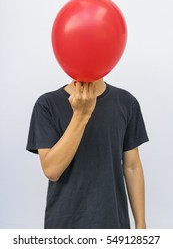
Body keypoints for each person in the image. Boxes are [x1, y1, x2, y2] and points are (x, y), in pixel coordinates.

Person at [26, 78, 149, 229]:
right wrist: (81, 115)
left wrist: (141, 225)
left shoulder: (126, 102)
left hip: (113, 224)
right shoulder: (47, 104)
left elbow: (132, 166)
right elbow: (52, 170)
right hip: (64, 228)